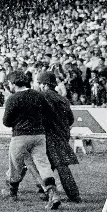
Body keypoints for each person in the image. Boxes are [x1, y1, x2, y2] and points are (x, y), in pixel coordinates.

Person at [2, 70, 62, 209]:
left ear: (13, 83)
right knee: (43, 165)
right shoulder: (39, 95)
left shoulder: (12, 98)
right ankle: (53, 194)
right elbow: (50, 114)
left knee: (15, 166)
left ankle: (12, 193)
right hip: (39, 136)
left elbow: (6, 122)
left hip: (20, 136)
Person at [34, 72, 81, 203]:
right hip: (62, 134)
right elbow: (70, 119)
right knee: (53, 164)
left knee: (54, 165)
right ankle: (43, 191)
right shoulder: (63, 99)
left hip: (49, 134)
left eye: (40, 84)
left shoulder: (42, 97)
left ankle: (73, 195)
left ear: (45, 85)